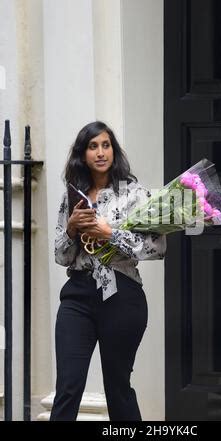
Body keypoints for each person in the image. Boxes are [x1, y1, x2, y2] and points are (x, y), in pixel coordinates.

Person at [50, 121, 167, 421]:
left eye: (106, 145)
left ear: (113, 151)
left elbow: (156, 247)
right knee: (68, 386)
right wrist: (72, 229)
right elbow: (61, 257)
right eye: (93, 146)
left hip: (122, 296)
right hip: (77, 296)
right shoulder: (72, 196)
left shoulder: (134, 193)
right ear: (83, 154)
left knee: (117, 387)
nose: (100, 153)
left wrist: (108, 234)